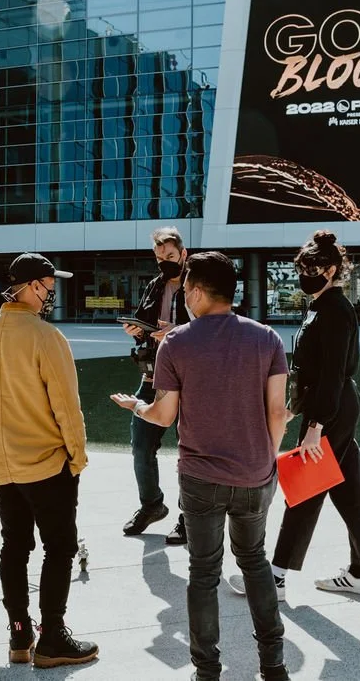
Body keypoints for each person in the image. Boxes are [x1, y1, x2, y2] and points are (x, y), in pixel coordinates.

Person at [111, 251, 291, 681]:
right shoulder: (268, 338)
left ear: (193, 290)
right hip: (255, 474)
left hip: (200, 478)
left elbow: (163, 415)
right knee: (255, 562)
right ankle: (274, 665)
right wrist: (266, 461)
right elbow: (278, 413)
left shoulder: (176, 343)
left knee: (203, 573)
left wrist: (136, 405)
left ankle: (207, 671)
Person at [229, 230, 360, 602]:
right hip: (330, 406)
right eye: (302, 267)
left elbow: (332, 373)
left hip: (332, 409)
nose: (305, 273)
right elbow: (312, 370)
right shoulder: (320, 305)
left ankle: (275, 577)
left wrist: (315, 426)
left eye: (312, 267)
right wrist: (297, 406)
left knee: (304, 490)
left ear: (331, 269)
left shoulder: (335, 310)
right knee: (350, 490)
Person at [0, 253, 99, 669]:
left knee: (15, 546)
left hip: (2, 465)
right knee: (59, 547)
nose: (50, 293)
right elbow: (66, 406)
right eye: (47, 285)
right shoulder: (46, 337)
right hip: (46, 463)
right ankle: (53, 637)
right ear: (27, 286)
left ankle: (20, 635)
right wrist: (77, 457)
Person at [121, 227, 192, 545]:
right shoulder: (154, 285)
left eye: (171, 256)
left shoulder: (197, 284)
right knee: (140, 445)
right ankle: (151, 505)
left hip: (191, 379)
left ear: (183, 254)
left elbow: (216, 324)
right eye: (160, 257)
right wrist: (136, 330)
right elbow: (145, 324)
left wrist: (178, 331)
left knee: (189, 452)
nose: (165, 262)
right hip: (153, 376)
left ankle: (188, 517)